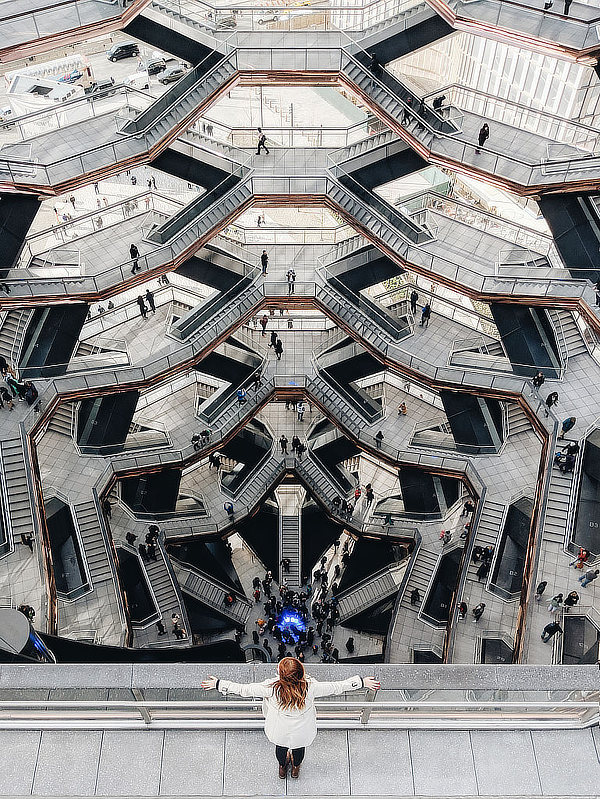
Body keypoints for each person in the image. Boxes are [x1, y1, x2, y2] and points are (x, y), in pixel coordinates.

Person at [206, 659, 379, 778]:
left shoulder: (271, 689)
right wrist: (362, 682)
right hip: (302, 731)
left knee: (281, 748)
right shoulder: (311, 688)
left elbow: (244, 690)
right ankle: (295, 769)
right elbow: (337, 687)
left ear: (281, 676)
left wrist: (219, 684)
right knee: (299, 748)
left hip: (278, 730)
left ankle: (282, 768)